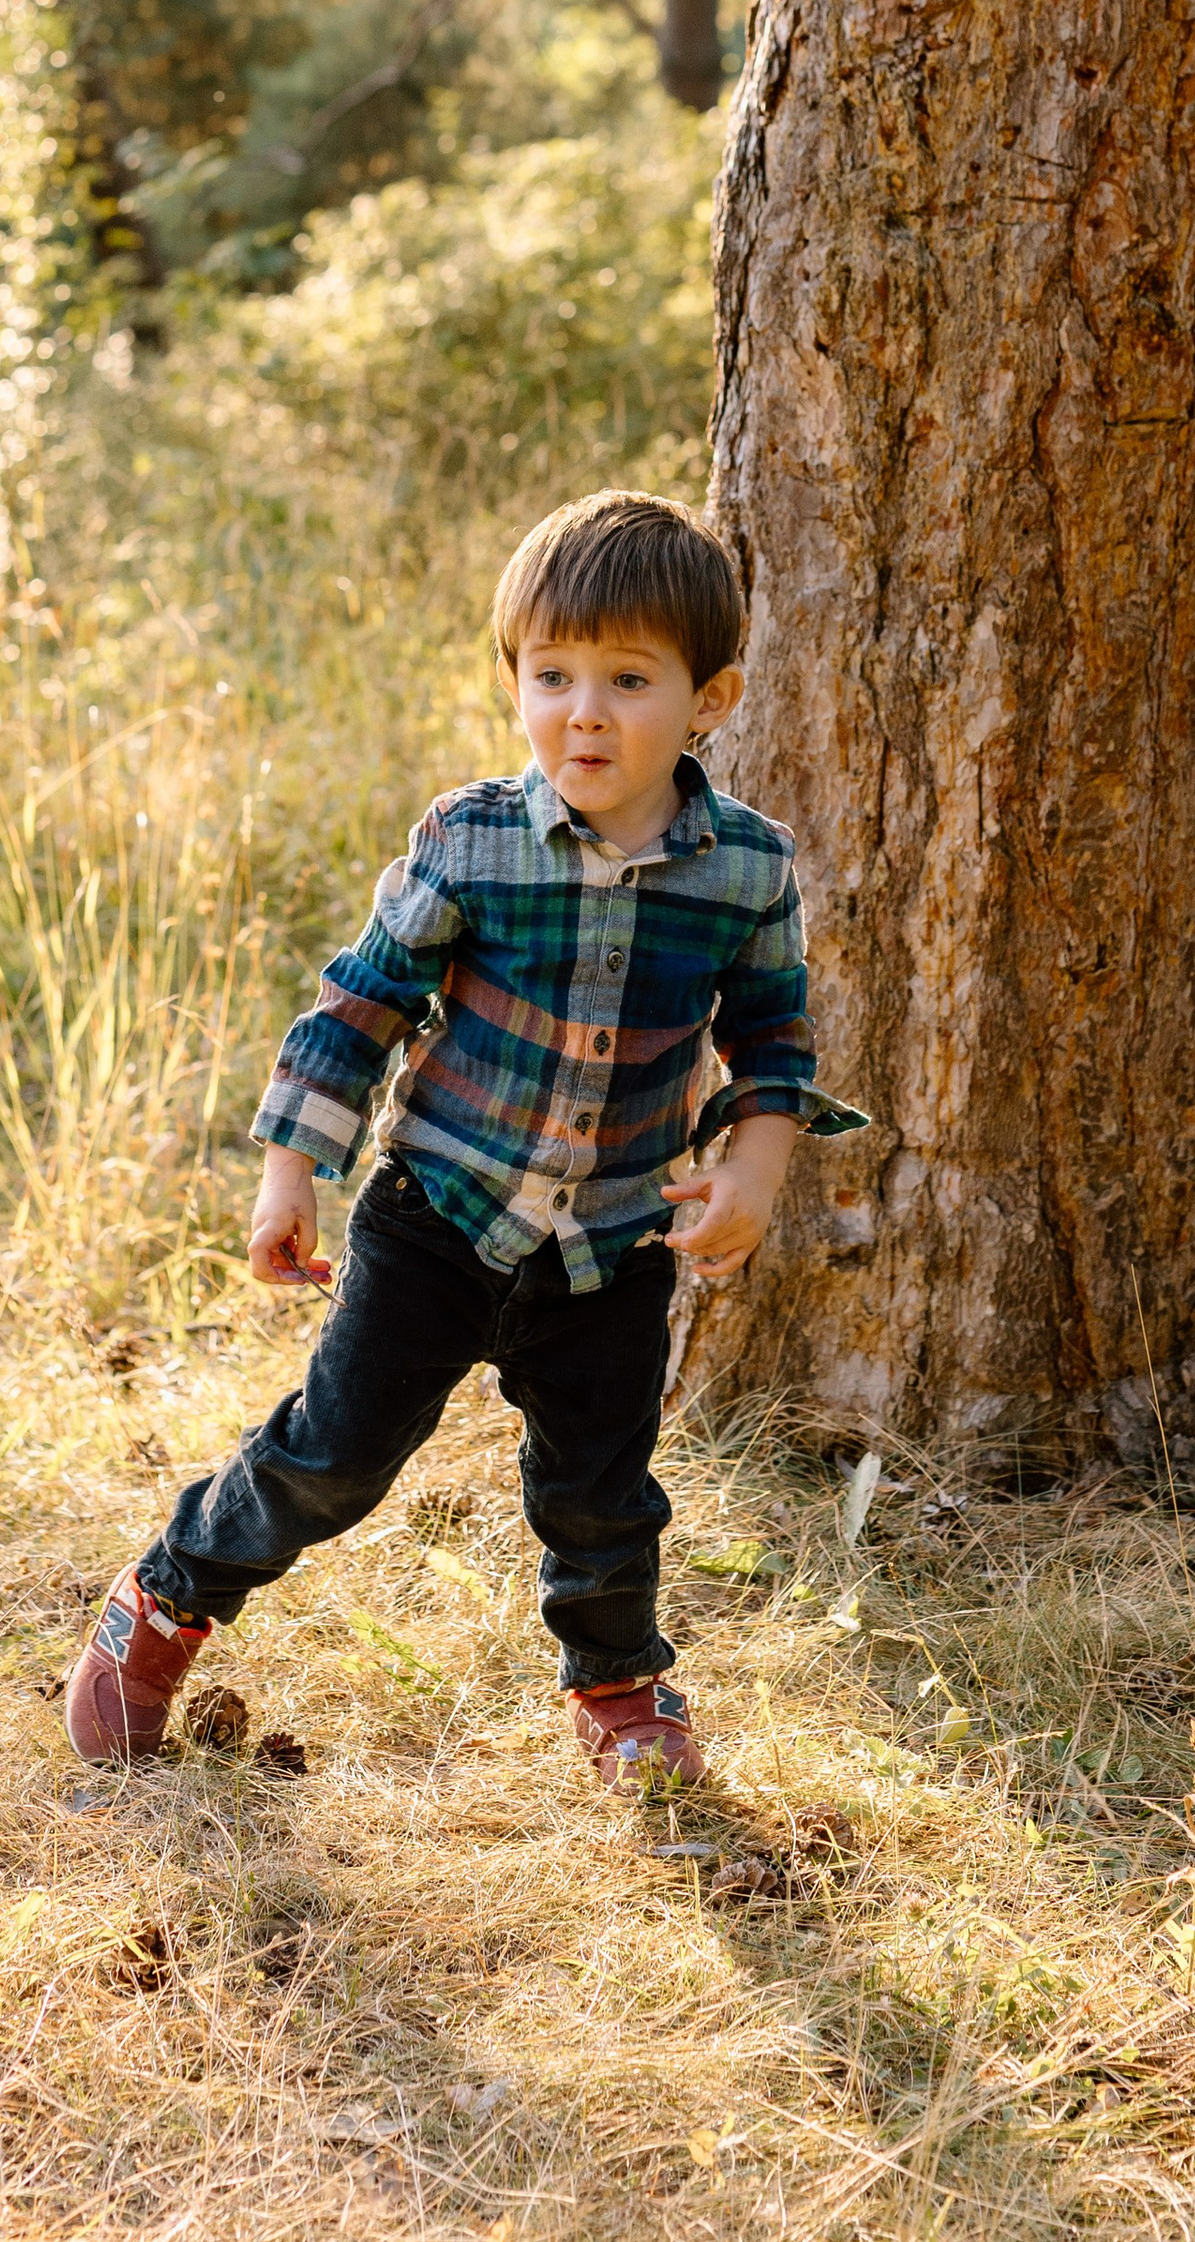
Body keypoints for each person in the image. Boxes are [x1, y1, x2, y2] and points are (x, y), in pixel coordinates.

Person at [65, 486, 865, 1787]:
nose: (584, 712)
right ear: (515, 680)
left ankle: (619, 1690)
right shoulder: (475, 839)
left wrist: (755, 1169)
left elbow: (775, 1040)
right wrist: (291, 1173)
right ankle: (163, 1598)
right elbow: (360, 1003)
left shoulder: (745, 871)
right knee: (336, 1457)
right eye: (551, 675)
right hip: (439, 1216)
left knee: (604, 1487)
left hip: (609, 1243)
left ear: (709, 699)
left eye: (627, 679)